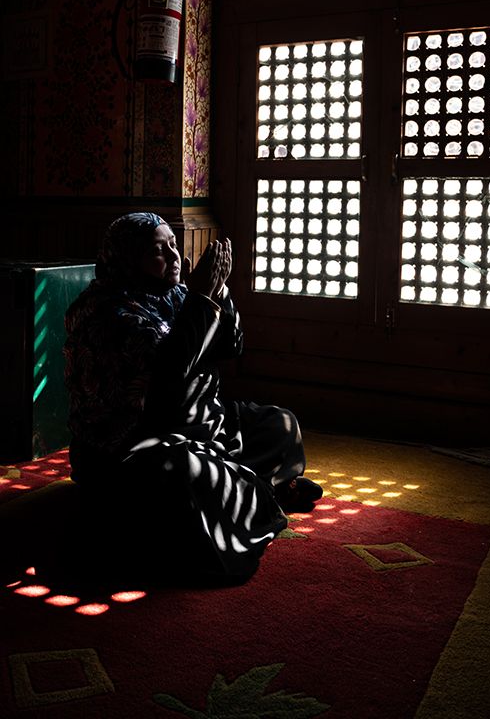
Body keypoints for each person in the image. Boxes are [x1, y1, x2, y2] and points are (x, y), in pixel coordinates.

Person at [63, 211, 322, 584]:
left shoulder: (175, 293)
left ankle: (251, 489)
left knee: (279, 424)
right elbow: (170, 373)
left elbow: (231, 346)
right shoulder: (106, 311)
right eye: (158, 250)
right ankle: (264, 490)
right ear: (129, 258)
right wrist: (201, 298)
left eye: (173, 244)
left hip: (199, 425)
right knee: (185, 473)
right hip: (134, 446)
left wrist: (218, 291)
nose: (174, 256)